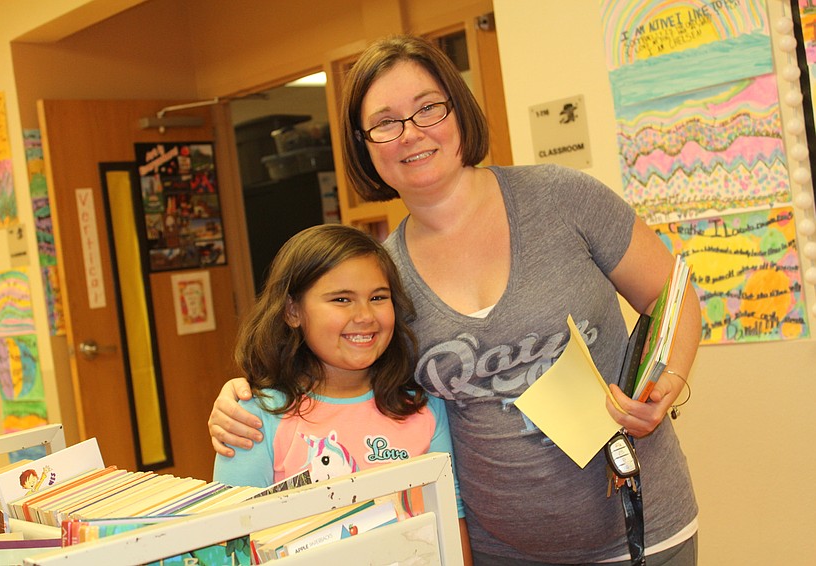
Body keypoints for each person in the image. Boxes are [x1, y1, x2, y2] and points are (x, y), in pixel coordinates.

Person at [209, 35, 701, 565]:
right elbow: (344, 378)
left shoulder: (562, 197)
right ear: (364, 144)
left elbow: (671, 296)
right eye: (385, 122)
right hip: (501, 553)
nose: (411, 134)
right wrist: (248, 394)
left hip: (643, 531)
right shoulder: (382, 277)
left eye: (428, 108)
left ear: (458, 111)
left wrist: (666, 382)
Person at [211, 223, 472, 565]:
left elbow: (450, 526)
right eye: (341, 299)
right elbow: (230, 546)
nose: (364, 316)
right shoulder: (254, 416)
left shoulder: (424, 407)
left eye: (378, 297)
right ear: (292, 311)